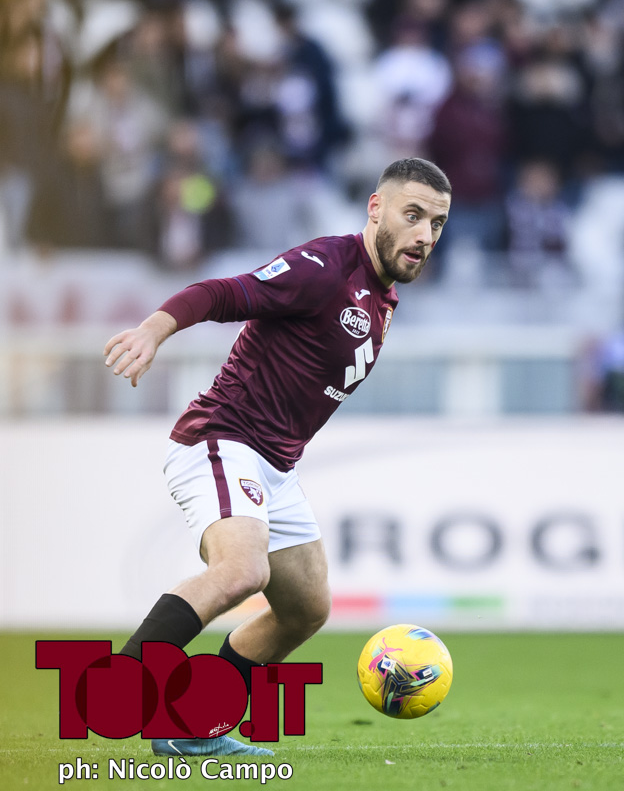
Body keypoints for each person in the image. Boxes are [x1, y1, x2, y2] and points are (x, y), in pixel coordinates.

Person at [102, 157, 451, 757]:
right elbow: (220, 292)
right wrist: (153, 331)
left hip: (274, 465)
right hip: (221, 438)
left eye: (437, 223)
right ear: (376, 208)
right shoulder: (323, 267)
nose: (424, 234)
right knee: (242, 572)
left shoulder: (383, 295)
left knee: (305, 608)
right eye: (412, 215)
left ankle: (195, 725)